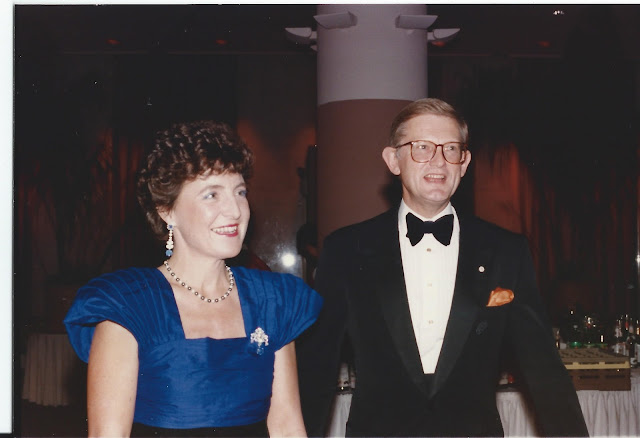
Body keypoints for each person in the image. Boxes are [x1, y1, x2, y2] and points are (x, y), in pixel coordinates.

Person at [296, 98, 589, 437]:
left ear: (464, 163)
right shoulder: (346, 250)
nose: (438, 161)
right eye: (422, 147)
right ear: (393, 160)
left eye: (451, 149)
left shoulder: (506, 251)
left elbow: (543, 368)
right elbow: (316, 369)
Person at [64, 120, 323, 437]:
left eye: (240, 192)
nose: (235, 210)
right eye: (211, 194)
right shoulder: (128, 305)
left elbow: (287, 427)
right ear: (167, 210)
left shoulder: (272, 301)